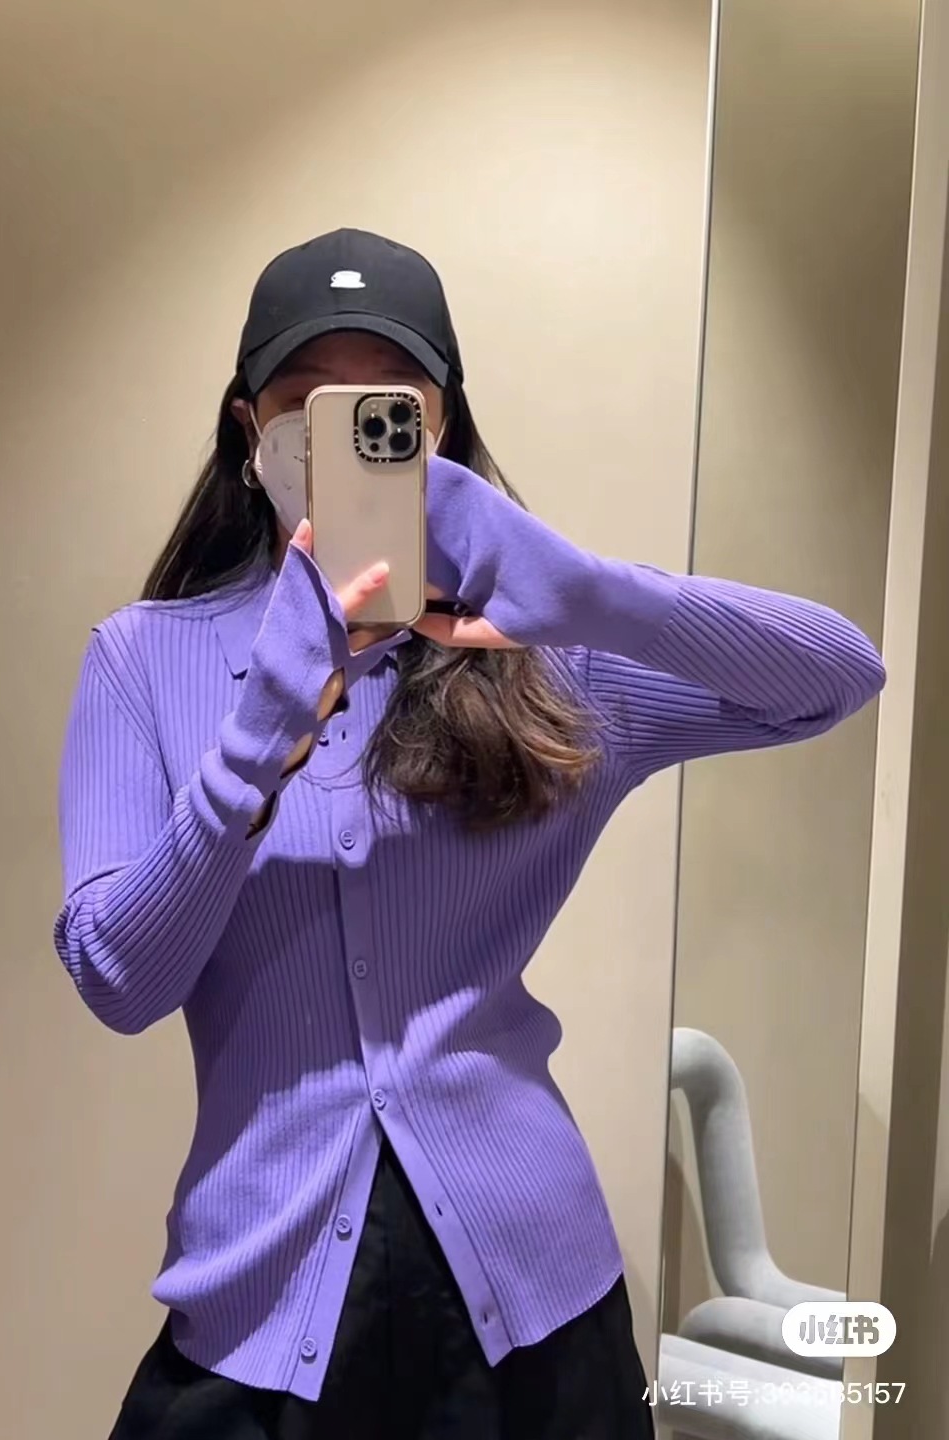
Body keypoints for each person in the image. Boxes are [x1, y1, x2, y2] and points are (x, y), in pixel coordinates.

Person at [54, 227, 887, 1440]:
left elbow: (838, 676)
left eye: (385, 407)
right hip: (257, 1307)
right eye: (308, 405)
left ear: (438, 430)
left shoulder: (543, 661)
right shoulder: (143, 661)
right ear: (250, 431)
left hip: (537, 1306)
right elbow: (119, 979)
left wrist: (588, 592)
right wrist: (258, 736)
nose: (343, 438)